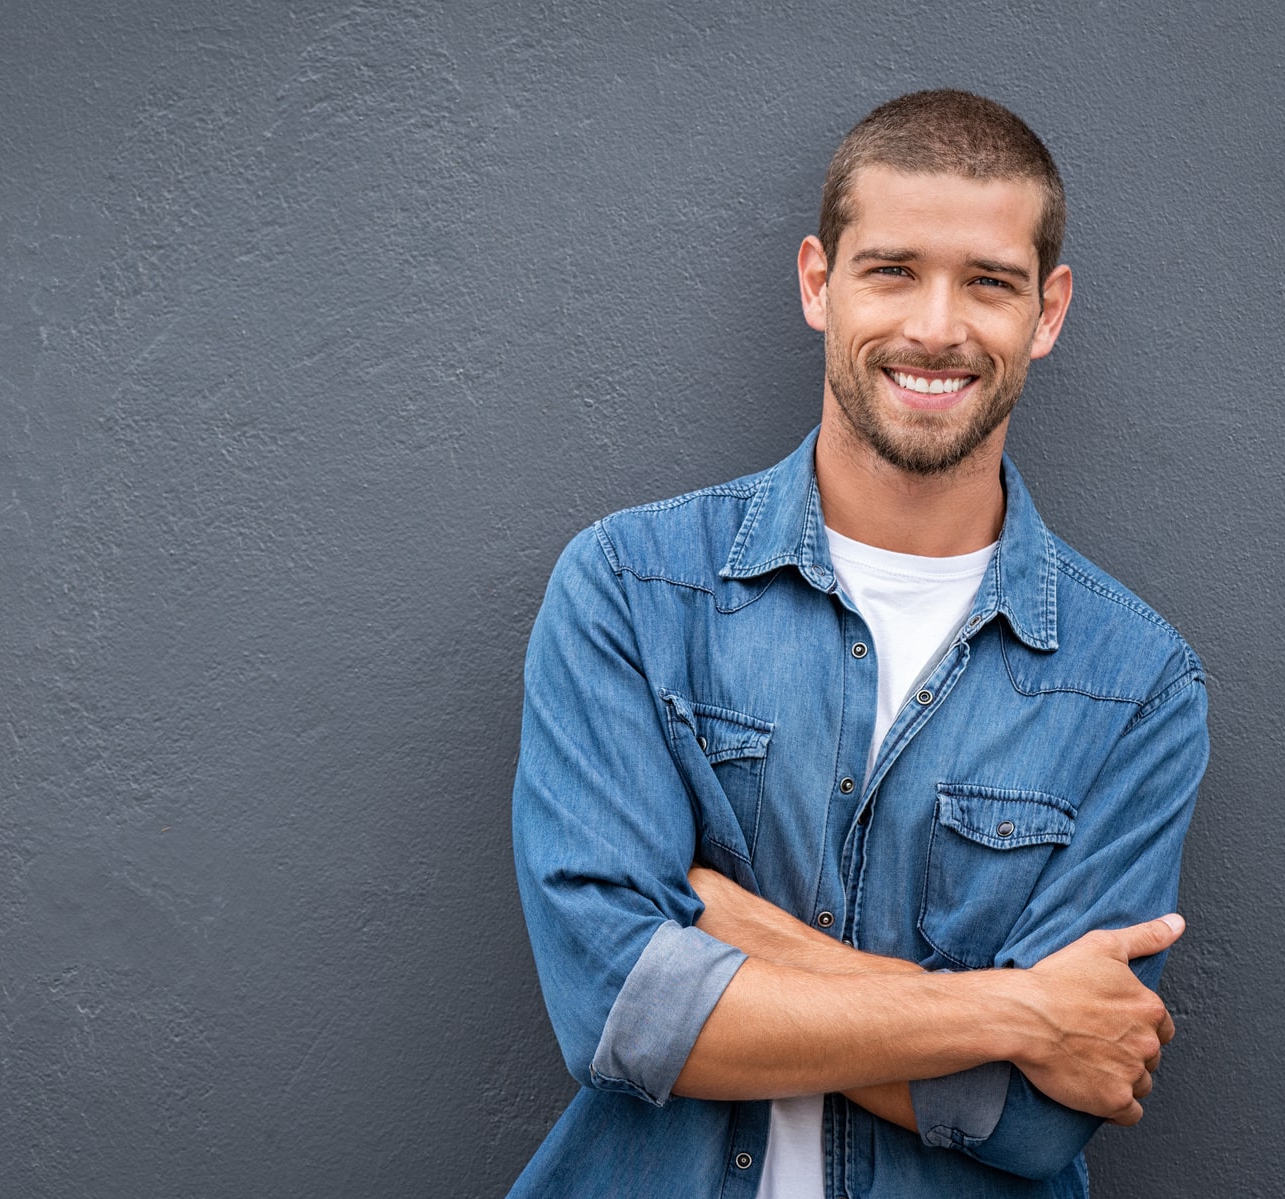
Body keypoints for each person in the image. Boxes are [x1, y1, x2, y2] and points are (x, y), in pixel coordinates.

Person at [508, 90, 1208, 1198]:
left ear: (1049, 309)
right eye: (891, 270)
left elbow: (1035, 1118)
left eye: (988, 281)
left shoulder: (1135, 684)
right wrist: (1019, 1009)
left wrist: (730, 934)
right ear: (816, 283)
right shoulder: (631, 589)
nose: (936, 326)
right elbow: (618, 1010)